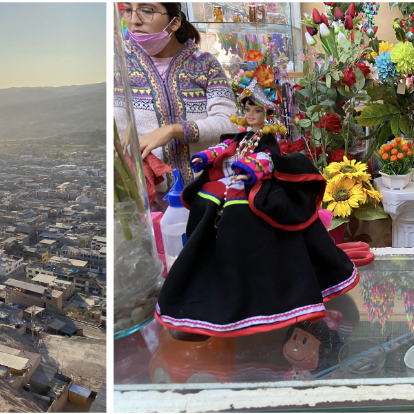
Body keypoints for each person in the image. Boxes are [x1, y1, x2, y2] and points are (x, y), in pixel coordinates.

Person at [154, 76, 357, 337]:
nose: (251, 115)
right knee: (206, 204)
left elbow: (268, 159)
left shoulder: (264, 141)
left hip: (257, 188)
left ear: (267, 114)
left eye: (257, 110)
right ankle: (211, 278)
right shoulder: (241, 138)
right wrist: (207, 156)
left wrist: (249, 168)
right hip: (230, 186)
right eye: (247, 110)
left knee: (246, 218)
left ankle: (263, 288)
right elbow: (224, 147)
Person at [116, 2, 237, 186]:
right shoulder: (118, 66)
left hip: (204, 192)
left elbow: (230, 123)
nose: (134, 21)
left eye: (146, 11)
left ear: (174, 22)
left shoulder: (205, 64)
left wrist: (173, 130)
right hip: (145, 197)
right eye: (128, 10)